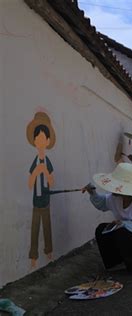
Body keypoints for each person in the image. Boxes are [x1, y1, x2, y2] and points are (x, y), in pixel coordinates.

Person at [26, 112, 56, 268]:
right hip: (36, 203)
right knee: (34, 229)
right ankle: (33, 256)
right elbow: (30, 183)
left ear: (48, 141)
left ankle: (49, 252)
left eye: (43, 139)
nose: (40, 141)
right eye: (38, 139)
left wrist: (44, 171)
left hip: (46, 201)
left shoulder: (47, 162)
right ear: (35, 141)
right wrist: (37, 171)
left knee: (47, 228)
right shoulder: (35, 162)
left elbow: (51, 181)